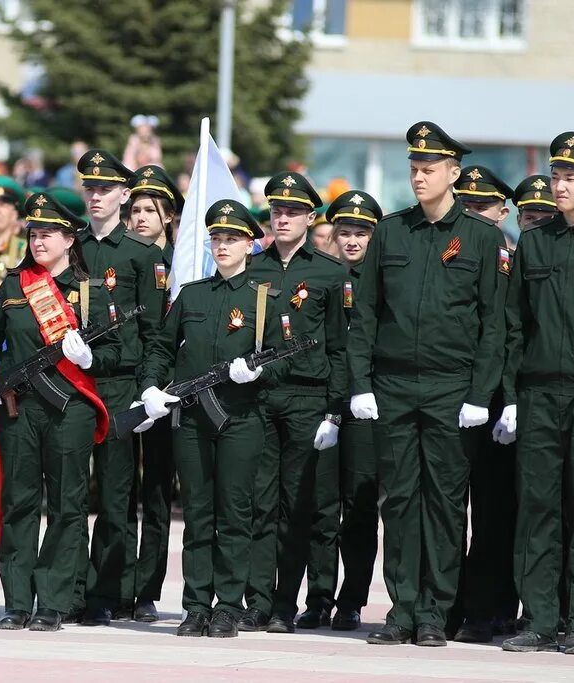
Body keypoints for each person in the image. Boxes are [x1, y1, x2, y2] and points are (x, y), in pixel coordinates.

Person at [347, 121, 506, 647]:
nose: (418, 177)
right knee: (399, 500)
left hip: (451, 388)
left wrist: (481, 395)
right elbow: (366, 313)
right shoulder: (391, 231)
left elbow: (494, 323)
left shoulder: (483, 238)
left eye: (428, 169)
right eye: (413, 168)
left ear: (453, 174)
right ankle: (402, 609)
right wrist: (360, 384)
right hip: (393, 385)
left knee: (443, 502)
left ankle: (435, 612)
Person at [0, 191, 121, 632]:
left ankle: (54, 601)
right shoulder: (15, 284)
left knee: (66, 505)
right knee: (18, 503)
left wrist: (91, 359)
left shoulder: (91, 291)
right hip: (19, 409)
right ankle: (17, 601)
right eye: (33, 233)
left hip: (70, 409)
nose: (39, 241)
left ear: (70, 238)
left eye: (49, 233)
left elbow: (118, 352)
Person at [136, 198, 285, 637]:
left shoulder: (264, 301)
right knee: (198, 514)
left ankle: (227, 606)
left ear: (250, 245)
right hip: (193, 420)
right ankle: (196, 604)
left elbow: (288, 359)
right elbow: (163, 347)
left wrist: (257, 369)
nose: (222, 246)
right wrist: (150, 386)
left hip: (242, 420)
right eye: (217, 238)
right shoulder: (192, 295)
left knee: (235, 514)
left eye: (232, 239)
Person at [499, 132, 574, 656]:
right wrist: (512, 395)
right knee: (538, 507)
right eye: (556, 176)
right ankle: (539, 618)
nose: (559, 186)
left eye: (570, 177)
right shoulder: (535, 241)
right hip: (539, 392)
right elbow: (515, 324)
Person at [242, 172, 347, 634]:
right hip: (258, 398)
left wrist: (334, 410)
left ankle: (291, 602)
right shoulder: (252, 269)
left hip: (308, 398)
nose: (281, 219)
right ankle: (258, 599)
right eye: (275, 211)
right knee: (259, 504)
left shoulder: (330, 273)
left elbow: (342, 348)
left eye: (291, 212)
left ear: (311, 217)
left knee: (300, 505)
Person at [73, 149, 166, 625]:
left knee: (114, 495)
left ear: (124, 196)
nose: (95, 196)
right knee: (69, 494)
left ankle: (108, 591)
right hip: (70, 383)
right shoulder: (70, 245)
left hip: (120, 384)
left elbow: (154, 335)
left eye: (105, 189)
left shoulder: (142, 256)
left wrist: (147, 388)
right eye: (89, 188)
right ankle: (69, 588)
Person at [445, 165, 517, 643]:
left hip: (496, 400)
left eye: (482, 207)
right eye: (465, 205)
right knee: (448, 508)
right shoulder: (447, 252)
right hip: (452, 392)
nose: (472, 214)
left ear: (502, 211)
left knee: (494, 512)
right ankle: (446, 607)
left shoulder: (511, 256)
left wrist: (510, 400)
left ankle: (490, 609)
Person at [324, 190, 383, 631]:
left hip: (365, 403)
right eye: (344, 231)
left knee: (359, 506)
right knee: (319, 507)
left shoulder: (383, 280)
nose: (352, 240)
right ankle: (318, 595)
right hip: (322, 404)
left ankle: (352, 598)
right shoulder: (322, 280)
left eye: (361, 232)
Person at [125, 164, 181, 622]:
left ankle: (146, 588)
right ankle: (118, 581)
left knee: (158, 490)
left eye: (151, 209)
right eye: (135, 209)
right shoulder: (120, 261)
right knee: (120, 490)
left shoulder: (186, 264)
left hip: (169, 388)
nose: (141, 217)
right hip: (126, 384)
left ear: (169, 217)